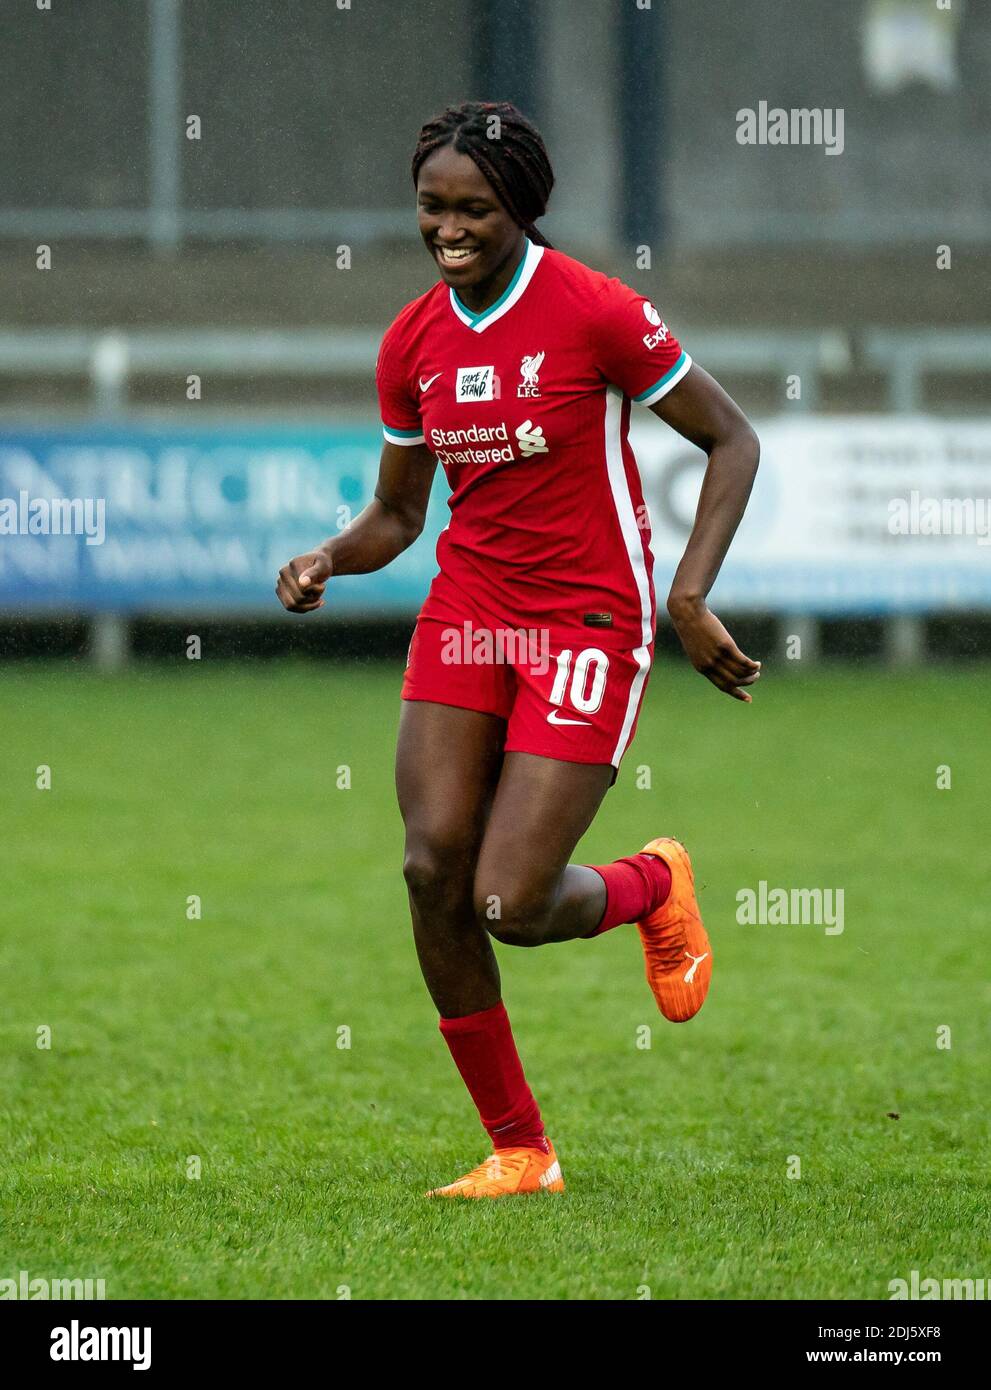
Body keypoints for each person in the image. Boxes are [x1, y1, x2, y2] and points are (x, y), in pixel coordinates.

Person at [277, 101, 761, 1199]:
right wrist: (329, 557)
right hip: (470, 612)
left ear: (522, 209)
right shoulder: (412, 339)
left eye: (473, 210)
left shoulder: (596, 311)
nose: (448, 229)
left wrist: (689, 596)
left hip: (590, 616)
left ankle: (653, 881)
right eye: (431, 208)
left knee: (512, 901)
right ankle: (520, 1150)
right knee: (429, 865)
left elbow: (732, 438)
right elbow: (401, 514)